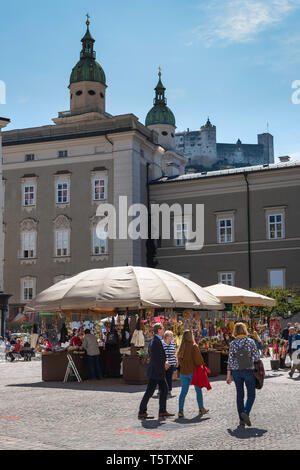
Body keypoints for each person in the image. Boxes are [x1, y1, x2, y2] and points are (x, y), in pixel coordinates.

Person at [226, 322, 261, 427]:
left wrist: (228, 375)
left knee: (239, 395)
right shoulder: (250, 342)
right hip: (248, 370)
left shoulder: (232, 343)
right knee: (251, 394)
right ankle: (245, 412)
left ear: (235, 331)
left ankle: (241, 419)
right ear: (245, 330)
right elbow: (256, 357)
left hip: (236, 372)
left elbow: (230, 360)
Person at [138, 323, 174, 420]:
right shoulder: (155, 341)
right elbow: (155, 357)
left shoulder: (157, 340)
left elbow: (159, 355)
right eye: (162, 328)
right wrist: (164, 364)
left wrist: (164, 362)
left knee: (164, 390)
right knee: (150, 392)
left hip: (157, 371)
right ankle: (142, 412)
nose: (164, 329)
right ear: (158, 330)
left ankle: (162, 411)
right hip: (155, 371)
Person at [177, 329, 208, 419]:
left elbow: (179, 360)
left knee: (183, 392)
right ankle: (201, 408)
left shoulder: (181, 347)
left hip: (183, 372)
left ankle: (180, 410)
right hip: (193, 372)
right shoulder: (194, 346)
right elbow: (198, 360)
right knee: (198, 391)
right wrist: (201, 364)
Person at [162, 331, 177, 398]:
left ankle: (169, 390)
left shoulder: (173, 343)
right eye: (171, 336)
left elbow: (175, 352)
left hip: (171, 363)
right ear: (167, 336)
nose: (172, 337)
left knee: (169, 377)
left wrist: (176, 360)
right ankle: (161, 389)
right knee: (163, 377)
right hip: (163, 363)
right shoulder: (161, 343)